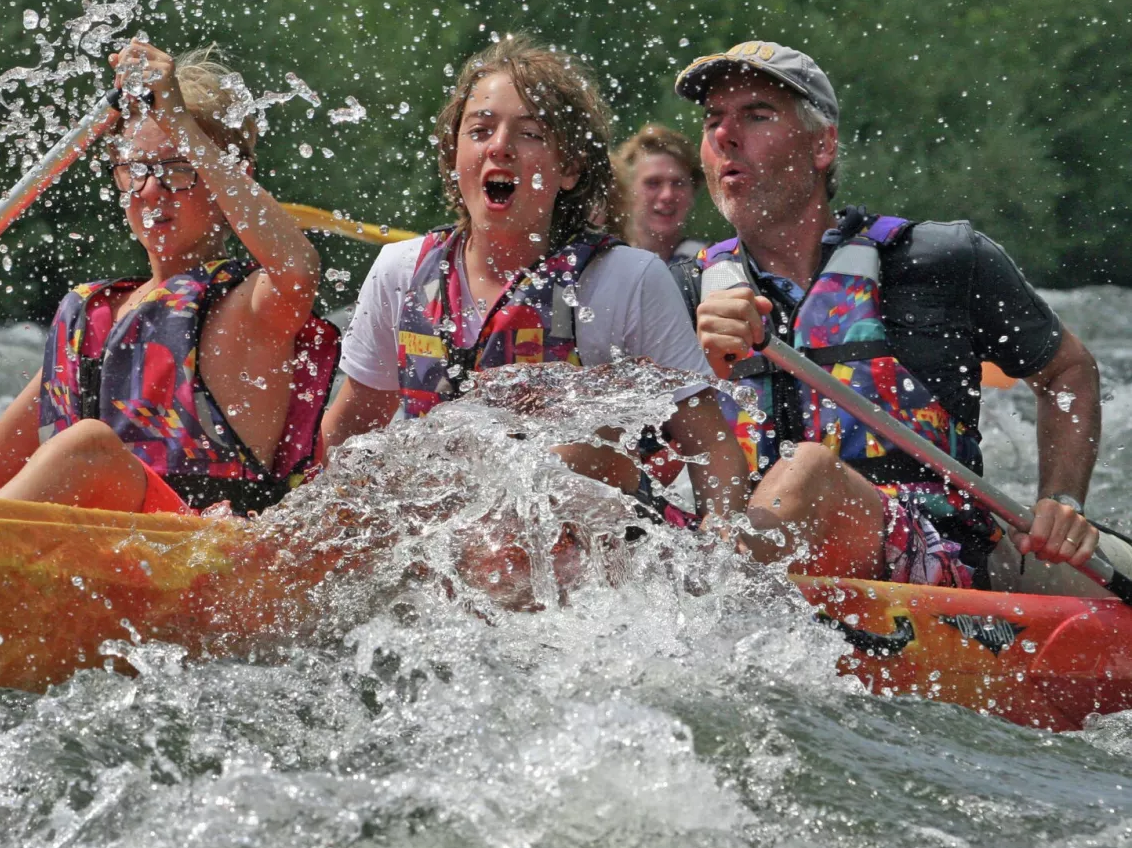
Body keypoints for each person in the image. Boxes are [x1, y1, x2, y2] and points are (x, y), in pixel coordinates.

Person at [0, 42, 335, 515]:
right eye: (133, 170)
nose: (150, 191)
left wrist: (180, 120)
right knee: (80, 450)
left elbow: (297, 267)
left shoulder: (251, 307)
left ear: (231, 176)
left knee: (88, 447)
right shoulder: (96, 313)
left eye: (178, 169)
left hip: (208, 565)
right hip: (109, 564)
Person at [671, 39, 1102, 587]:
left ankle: (710, 614)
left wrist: (1060, 499)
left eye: (757, 115)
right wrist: (699, 372)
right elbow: (631, 452)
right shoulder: (678, 292)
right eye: (713, 120)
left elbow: (1067, 369)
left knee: (809, 469)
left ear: (822, 146)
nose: (725, 135)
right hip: (748, 549)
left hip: (933, 554)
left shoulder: (941, 259)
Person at [321, 34, 748, 525]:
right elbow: (346, 438)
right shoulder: (400, 271)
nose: (500, 147)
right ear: (455, 156)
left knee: (569, 461)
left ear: (568, 169)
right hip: (447, 542)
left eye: (530, 134)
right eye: (480, 131)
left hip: (592, 543)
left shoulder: (629, 279)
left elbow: (713, 449)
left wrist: (718, 561)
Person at [612, 124, 707, 262]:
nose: (667, 195)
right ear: (626, 190)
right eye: (653, 183)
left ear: (693, 191)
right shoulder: (602, 264)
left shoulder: (713, 266)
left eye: (678, 183)